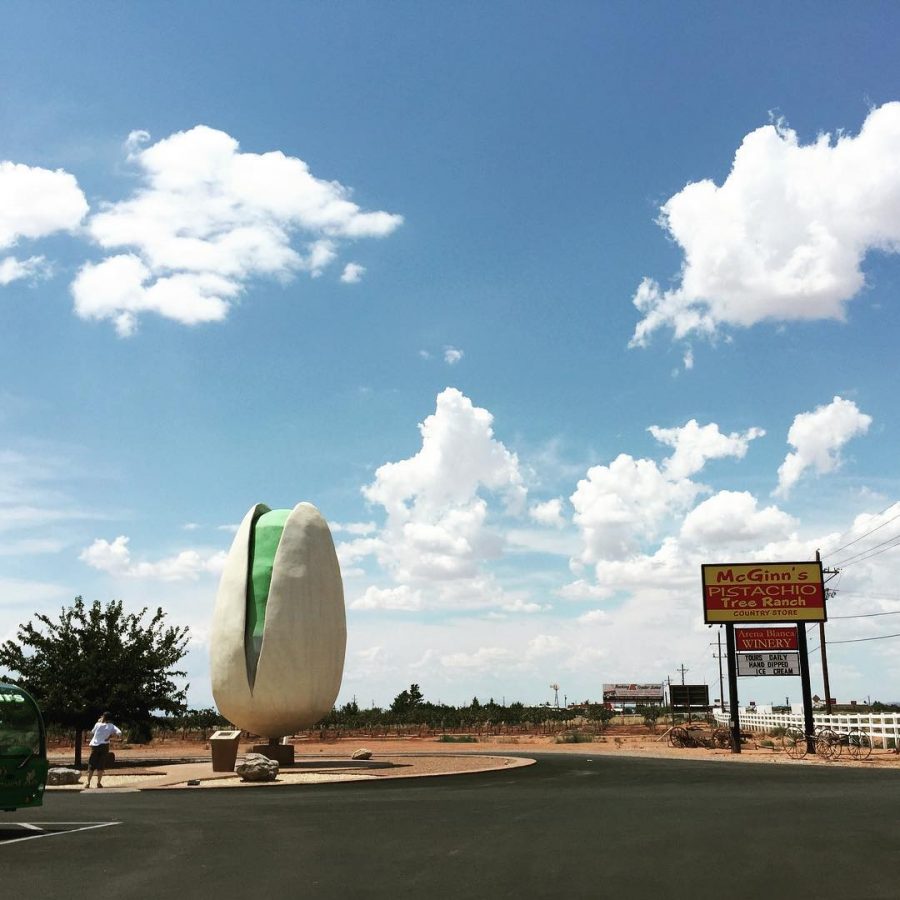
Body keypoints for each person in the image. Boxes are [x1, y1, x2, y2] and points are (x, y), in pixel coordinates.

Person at [85, 712, 122, 788]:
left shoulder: (97, 724)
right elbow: (119, 732)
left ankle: (88, 783)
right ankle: (98, 783)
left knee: (91, 764)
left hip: (95, 746)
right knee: (101, 765)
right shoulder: (111, 726)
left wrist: (99, 722)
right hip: (105, 746)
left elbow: (92, 732)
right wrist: (110, 736)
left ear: (104, 717)